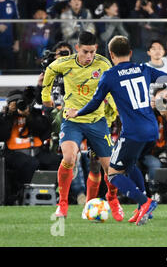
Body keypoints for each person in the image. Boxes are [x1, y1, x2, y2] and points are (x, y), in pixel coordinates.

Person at [66, 35, 167, 225]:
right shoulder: (143, 68)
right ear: (130, 53)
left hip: (133, 131)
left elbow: (95, 103)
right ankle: (143, 209)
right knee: (130, 165)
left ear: (111, 55)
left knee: (114, 174)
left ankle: (144, 202)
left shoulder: (110, 76)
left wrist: (76, 113)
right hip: (152, 129)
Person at [41, 31, 123, 220]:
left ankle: (111, 198)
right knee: (69, 157)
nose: (89, 57)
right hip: (73, 121)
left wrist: (113, 107)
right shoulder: (65, 63)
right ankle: (62, 204)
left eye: (93, 52)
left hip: (97, 121)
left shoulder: (103, 64)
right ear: (77, 48)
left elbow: (111, 86)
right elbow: (50, 70)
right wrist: (46, 97)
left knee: (107, 168)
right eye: (86, 52)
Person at [0, 88, 60, 205]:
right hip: (14, 152)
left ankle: (47, 193)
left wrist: (29, 115)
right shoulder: (4, 117)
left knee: (56, 160)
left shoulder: (33, 113)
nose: (18, 106)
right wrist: (9, 115)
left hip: (36, 151)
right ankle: (22, 193)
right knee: (30, 163)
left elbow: (44, 130)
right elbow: (3, 135)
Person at [0, 0, 19, 70]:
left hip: (9, 43)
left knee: (11, 70)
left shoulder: (11, 3)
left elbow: (16, 23)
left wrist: (17, 41)